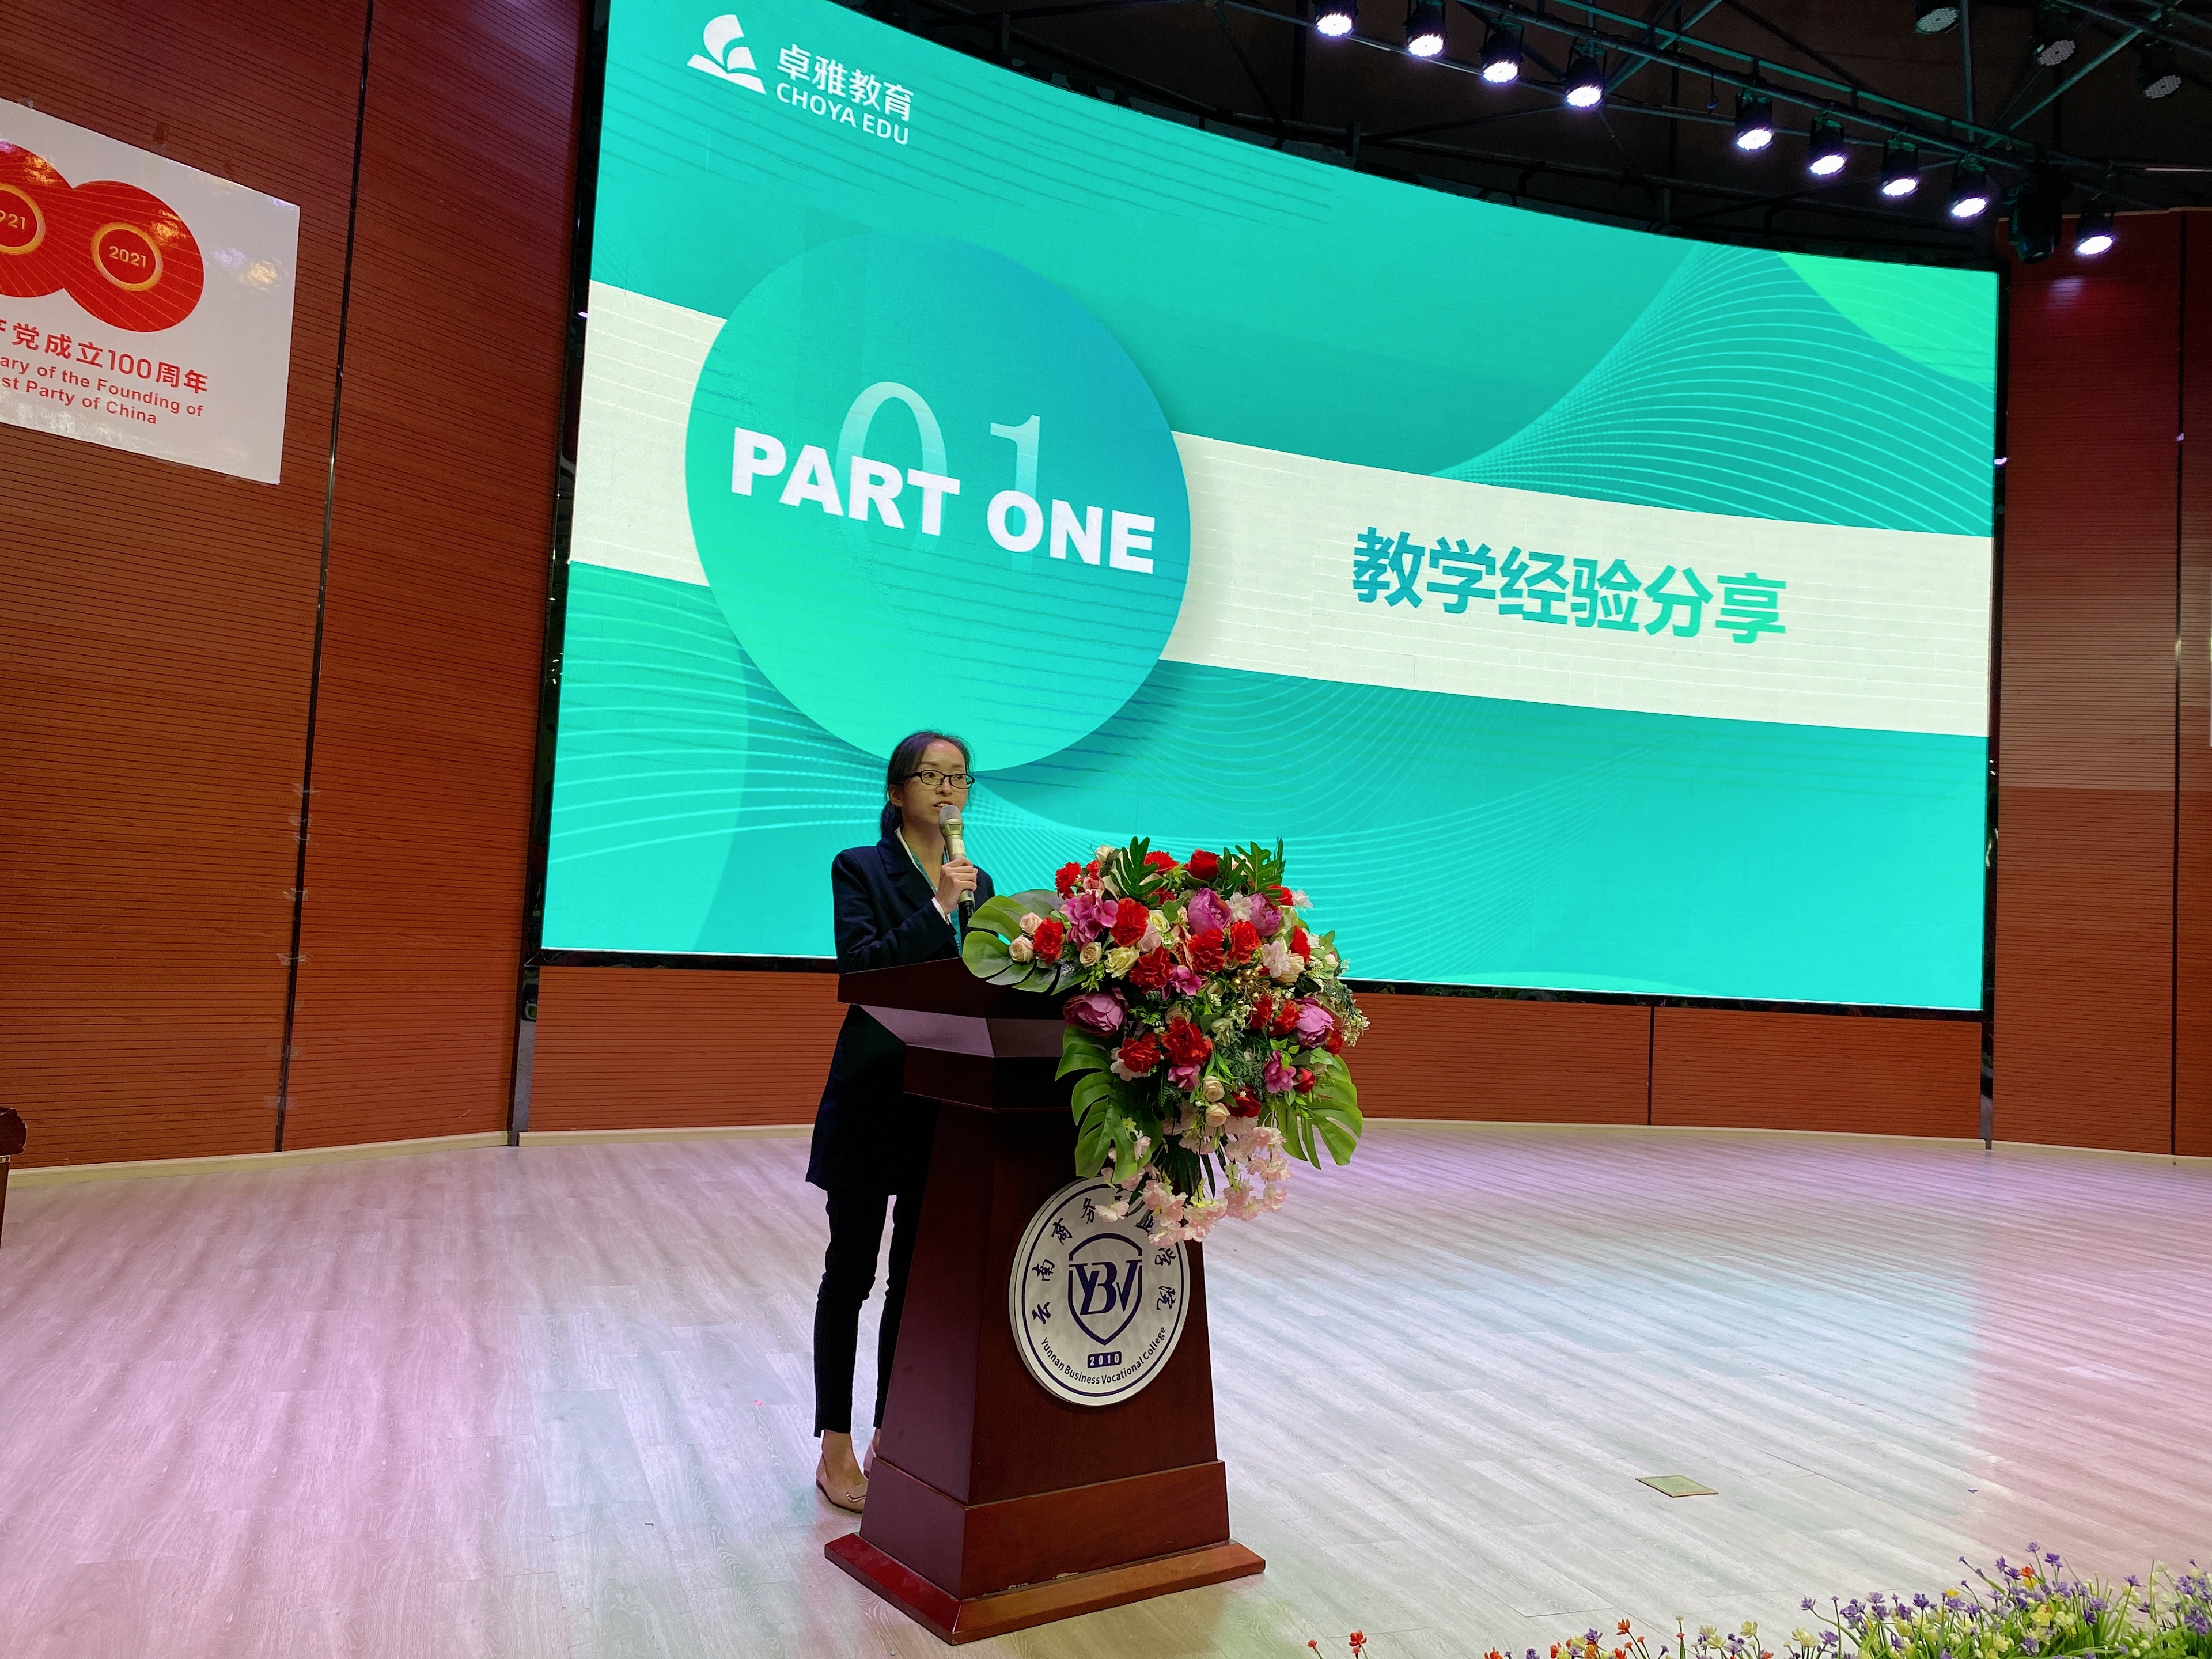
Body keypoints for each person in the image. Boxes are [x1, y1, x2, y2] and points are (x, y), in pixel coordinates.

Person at [808, 730, 994, 1513]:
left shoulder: (981, 880)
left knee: (913, 1284)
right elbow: (862, 967)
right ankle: (834, 1446)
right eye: (931, 775)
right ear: (896, 793)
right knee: (851, 1275)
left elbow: (984, 980)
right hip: (871, 1094)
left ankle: (893, 1432)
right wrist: (939, 907)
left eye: (959, 776)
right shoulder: (859, 867)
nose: (948, 788)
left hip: (941, 1101)